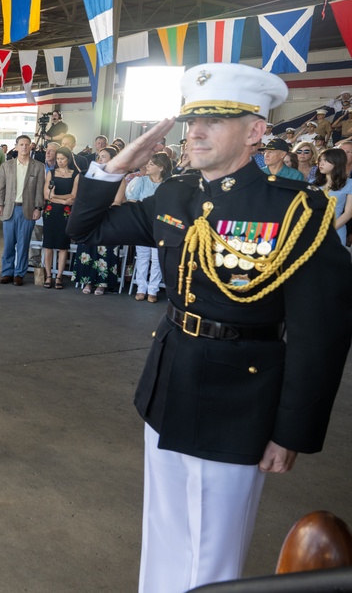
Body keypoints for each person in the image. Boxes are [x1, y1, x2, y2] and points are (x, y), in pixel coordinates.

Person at [67, 63, 352, 593]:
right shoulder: (175, 196)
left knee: (211, 548)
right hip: (169, 378)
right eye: (190, 120)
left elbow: (322, 333)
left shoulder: (294, 210)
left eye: (214, 121)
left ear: (255, 131)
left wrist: (290, 430)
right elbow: (84, 231)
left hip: (238, 396)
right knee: (164, 527)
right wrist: (119, 163)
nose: (194, 132)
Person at [0, 135, 45, 285]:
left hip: (28, 210)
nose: (24, 147)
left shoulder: (38, 166)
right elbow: (0, 188)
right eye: (21, 144)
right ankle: (7, 272)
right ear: (16, 147)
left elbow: (39, 190)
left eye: (27, 144)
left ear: (31, 147)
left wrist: (38, 208)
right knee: (9, 244)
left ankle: (19, 273)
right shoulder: (7, 165)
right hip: (10, 209)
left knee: (23, 244)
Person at [72, 146, 122, 296]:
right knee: (88, 248)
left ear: (112, 159)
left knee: (105, 251)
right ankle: (87, 281)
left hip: (107, 219)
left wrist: (98, 209)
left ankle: (102, 284)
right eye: (99, 156)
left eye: (104, 156)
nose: (100, 159)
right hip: (91, 218)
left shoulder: (119, 178)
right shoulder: (92, 175)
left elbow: (118, 201)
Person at [125, 153, 173, 303]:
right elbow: (133, 201)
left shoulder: (168, 184)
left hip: (160, 225)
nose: (147, 166)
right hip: (142, 222)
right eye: (149, 163)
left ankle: (153, 289)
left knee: (157, 257)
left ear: (161, 167)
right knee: (142, 256)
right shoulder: (141, 181)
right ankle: (141, 288)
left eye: (152, 164)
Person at [42, 146, 79, 288]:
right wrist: (63, 200)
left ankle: (59, 276)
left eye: (62, 159)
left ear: (68, 159)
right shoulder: (51, 173)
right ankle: (48, 274)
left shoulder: (75, 174)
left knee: (63, 244)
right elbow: (47, 195)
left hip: (66, 213)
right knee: (48, 244)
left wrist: (56, 196)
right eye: (57, 159)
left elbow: (74, 196)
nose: (59, 161)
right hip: (52, 211)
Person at [314, 148, 352, 245]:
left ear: (337, 162)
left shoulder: (349, 184)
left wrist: (327, 229)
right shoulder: (312, 184)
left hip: (335, 231)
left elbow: (348, 213)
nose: (321, 164)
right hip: (313, 231)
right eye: (320, 160)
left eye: (325, 161)